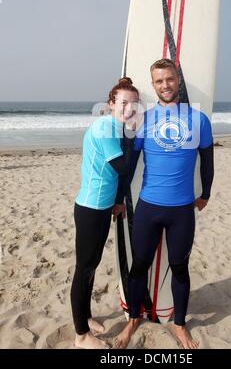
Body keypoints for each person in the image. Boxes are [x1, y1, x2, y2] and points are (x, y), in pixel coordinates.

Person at [116, 59, 214, 350]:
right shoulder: (144, 120)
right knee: (139, 266)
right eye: (159, 81)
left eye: (170, 79)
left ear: (178, 81)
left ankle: (180, 324)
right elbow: (131, 164)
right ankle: (133, 318)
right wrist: (120, 198)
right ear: (153, 85)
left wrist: (205, 193)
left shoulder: (199, 120)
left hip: (182, 209)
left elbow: (207, 161)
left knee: (180, 266)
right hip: (148, 207)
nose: (165, 85)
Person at [71, 77, 139, 350]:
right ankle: (80, 335)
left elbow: (116, 174)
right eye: (123, 102)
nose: (128, 108)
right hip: (90, 207)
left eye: (134, 104)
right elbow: (123, 167)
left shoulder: (115, 127)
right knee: (83, 269)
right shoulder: (107, 127)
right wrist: (139, 136)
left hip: (102, 205)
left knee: (92, 266)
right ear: (112, 104)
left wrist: (118, 200)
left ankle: (85, 317)